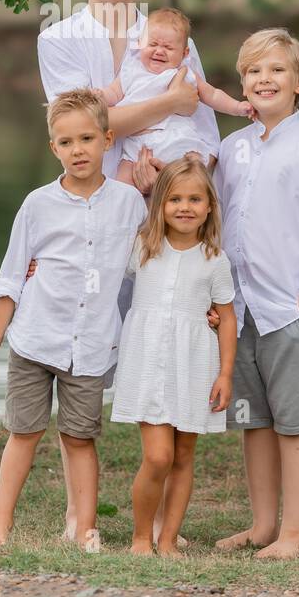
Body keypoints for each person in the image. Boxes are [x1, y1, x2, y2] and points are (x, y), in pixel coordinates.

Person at [36, 0, 221, 543]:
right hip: (91, 213)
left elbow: (201, 129)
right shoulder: (58, 40)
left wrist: (168, 178)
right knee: (82, 353)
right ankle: (78, 515)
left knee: (160, 350)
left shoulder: (171, 32)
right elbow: (82, 128)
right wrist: (168, 99)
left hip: (157, 218)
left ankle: (159, 527)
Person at [0, 88, 147, 550]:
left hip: (91, 346)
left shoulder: (129, 204)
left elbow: (149, 262)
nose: (78, 150)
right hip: (35, 338)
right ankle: (0, 526)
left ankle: (86, 529)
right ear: (54, 148)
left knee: (79, 438)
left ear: (108, 140)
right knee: (23, 433)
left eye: (87, 139)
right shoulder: (37, 205)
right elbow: (12, 274)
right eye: (66, 143)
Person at [211, 28, 299, 559]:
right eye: (253, 71)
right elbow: (216, 222)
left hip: (288, 311)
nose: (263, 79)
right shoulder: (231, 148)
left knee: (295, 422)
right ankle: (264, 525)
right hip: (239, 310)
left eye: (276, 70)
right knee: (255, 421)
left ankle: (298, 533)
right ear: (242, 83)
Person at [111, 157, 237, 555]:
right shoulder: (143, 248)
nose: (185, 207)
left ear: (209, 207)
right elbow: (95, 267)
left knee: (182, 455)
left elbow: (228, 318)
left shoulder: (215, 260)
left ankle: (167, 540)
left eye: (195, 199)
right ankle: (139, 537)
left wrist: (226, 374)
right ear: (160, 204)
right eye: (175, 199)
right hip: (148, 363)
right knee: (158, 455)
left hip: (195, 364)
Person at [98, 7, 254, 185]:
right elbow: (113, 93)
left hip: (177, 139)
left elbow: (212, 94)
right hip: (137, 146)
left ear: (185, 53)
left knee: (193, 169)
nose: (159, 51)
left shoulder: (184, 73)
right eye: (153, 44)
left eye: (168, 47)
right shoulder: (130, 71)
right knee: (121, 184)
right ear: (140, 43)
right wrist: (99, 95)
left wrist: (237, 107)